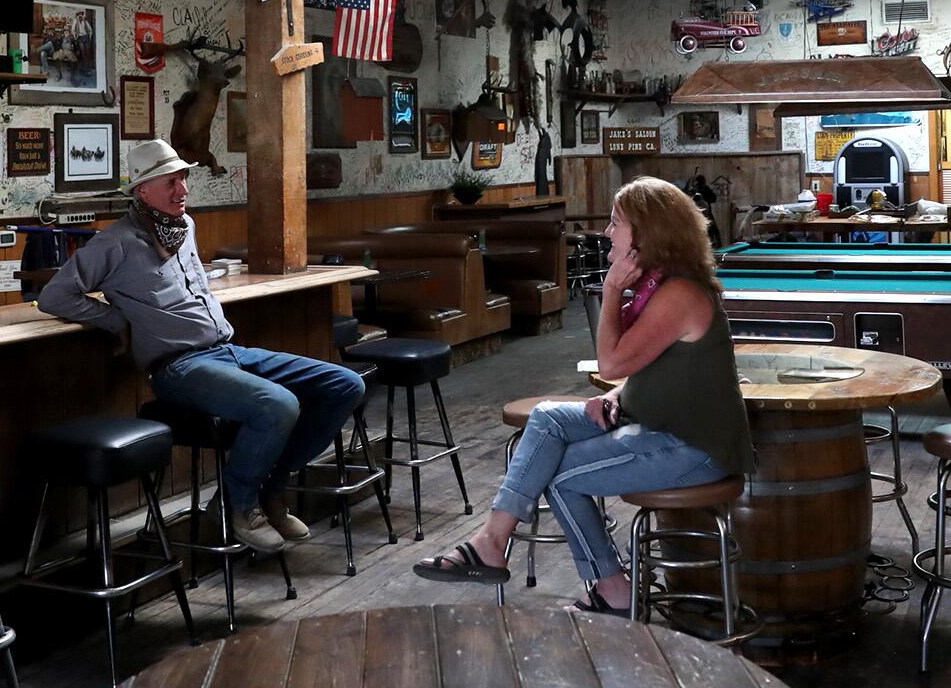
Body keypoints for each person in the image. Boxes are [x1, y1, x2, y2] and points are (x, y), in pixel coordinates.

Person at [413, 175, 753, 613]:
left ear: (647, 235)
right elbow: (658, 364)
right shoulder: (663, 284)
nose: (608, 232)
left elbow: (610, 363)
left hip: (693, 447)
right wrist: (620, 395)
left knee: (556, 474)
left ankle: (609, 587)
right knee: (550, 418)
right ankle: (493, 540)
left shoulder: (679, 293)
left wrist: (611, 288)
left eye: (617, 223)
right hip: (659, 425)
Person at [37, 139, 366, 554]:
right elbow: (55, 297)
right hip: (179, 367)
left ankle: (269, 489)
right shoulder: (115, 242)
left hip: (227, 350)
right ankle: (238, 504)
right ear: (143, 191)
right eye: (171, 181)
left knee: (345, 384)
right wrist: (115, 320)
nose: (183, 189)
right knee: (278, 404)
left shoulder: (184, 226)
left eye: (184, 178)